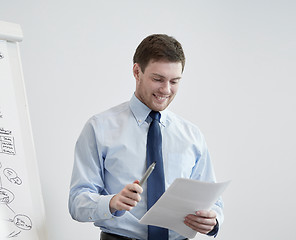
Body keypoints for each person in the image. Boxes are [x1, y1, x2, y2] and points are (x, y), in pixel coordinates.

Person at [69, 34, 223, 240]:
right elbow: (76, 202)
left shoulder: (192, 136)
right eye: (158, 79)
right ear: (136, 72)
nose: (166, 90)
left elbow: (214, 202)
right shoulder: (99, 128)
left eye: (174, 81)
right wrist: (112, 202)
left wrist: (212, 221)